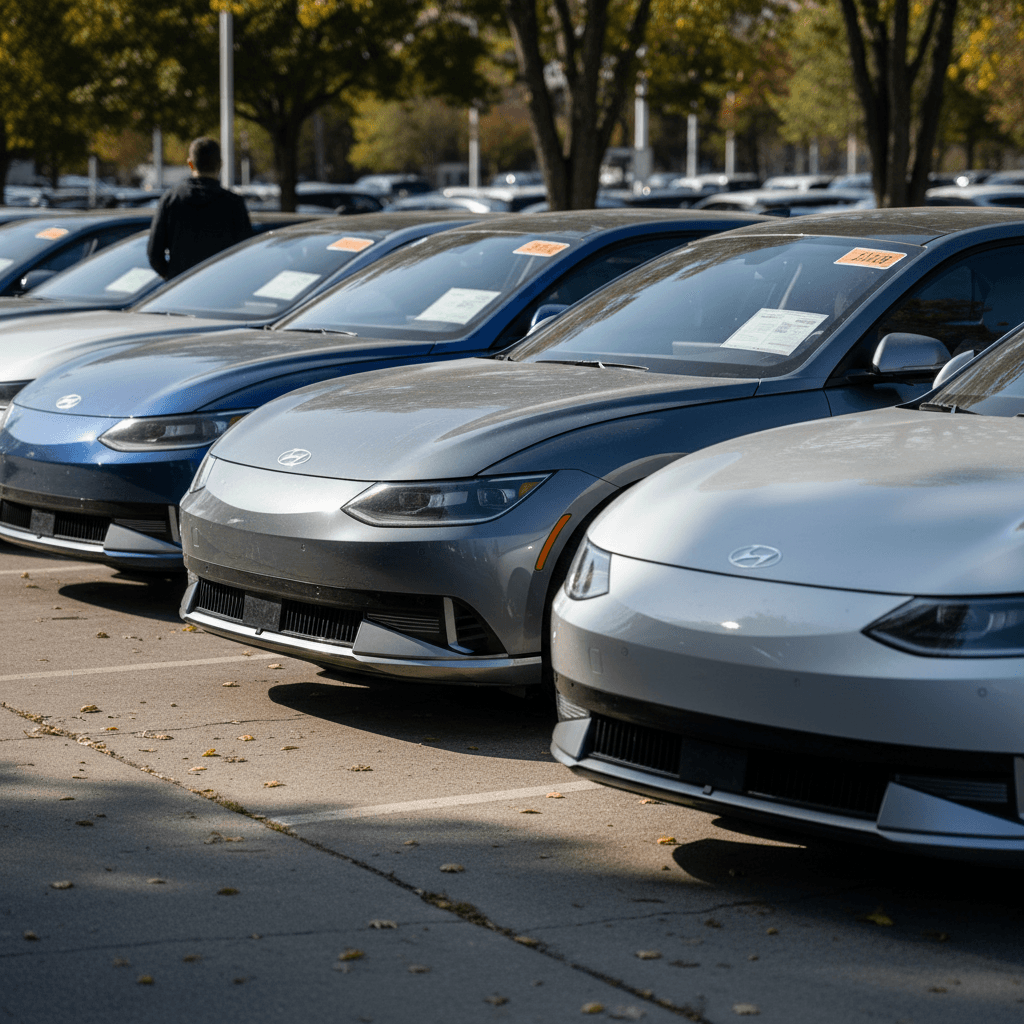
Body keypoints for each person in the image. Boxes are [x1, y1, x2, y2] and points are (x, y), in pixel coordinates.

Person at [147, 137, 252, 279]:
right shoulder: (234, 203)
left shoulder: (171, 200)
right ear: (220, 165)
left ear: (190, 164)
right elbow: (246, 253)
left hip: (180, 290)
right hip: (222, 290)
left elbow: (154, 253)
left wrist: (173, 277)